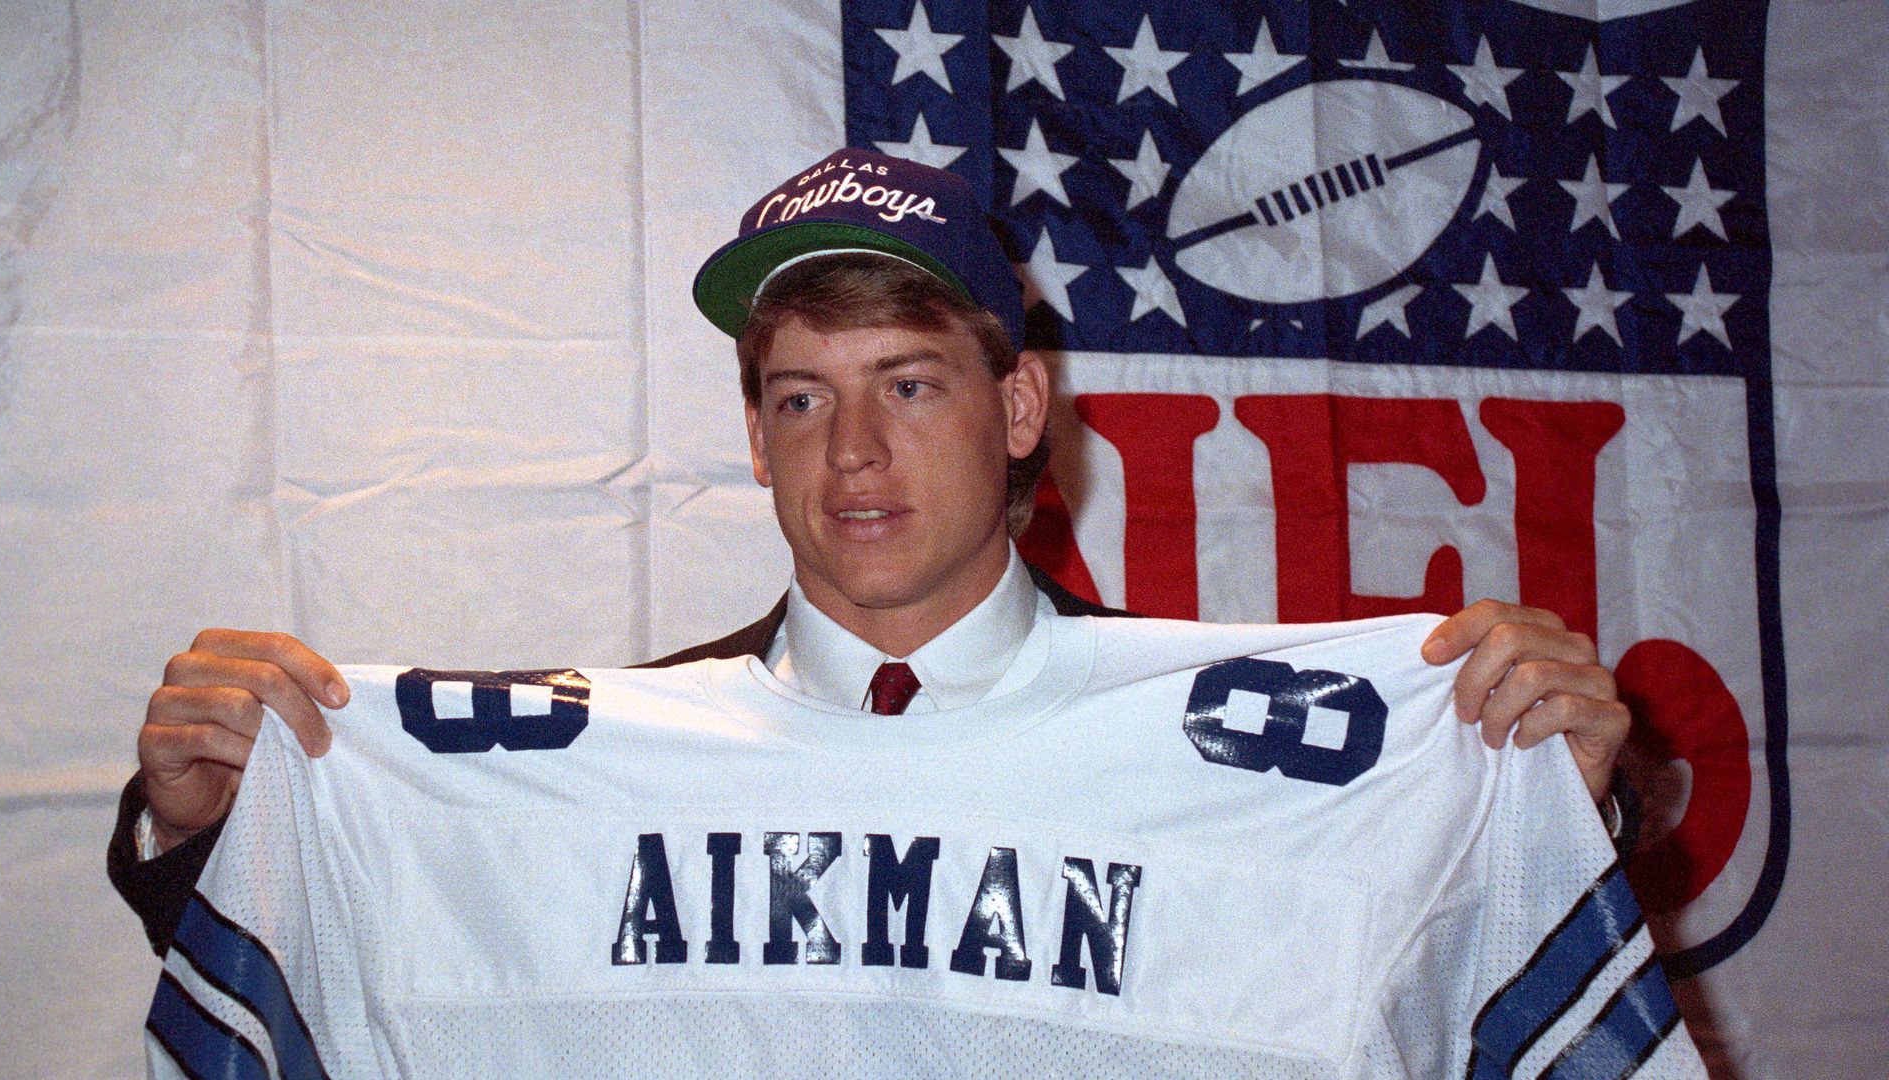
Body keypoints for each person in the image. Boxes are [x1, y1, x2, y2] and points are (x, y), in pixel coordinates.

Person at [110, 147, 1633, 960]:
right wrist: (208, 826)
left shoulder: (1236, 744)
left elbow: (1443, 964)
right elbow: (372, 958)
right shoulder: (608, 751)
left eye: (909, 385)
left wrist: (1544, 800)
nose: (851, 454)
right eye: (799, 398)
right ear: (757, 437)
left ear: (1020, 405)